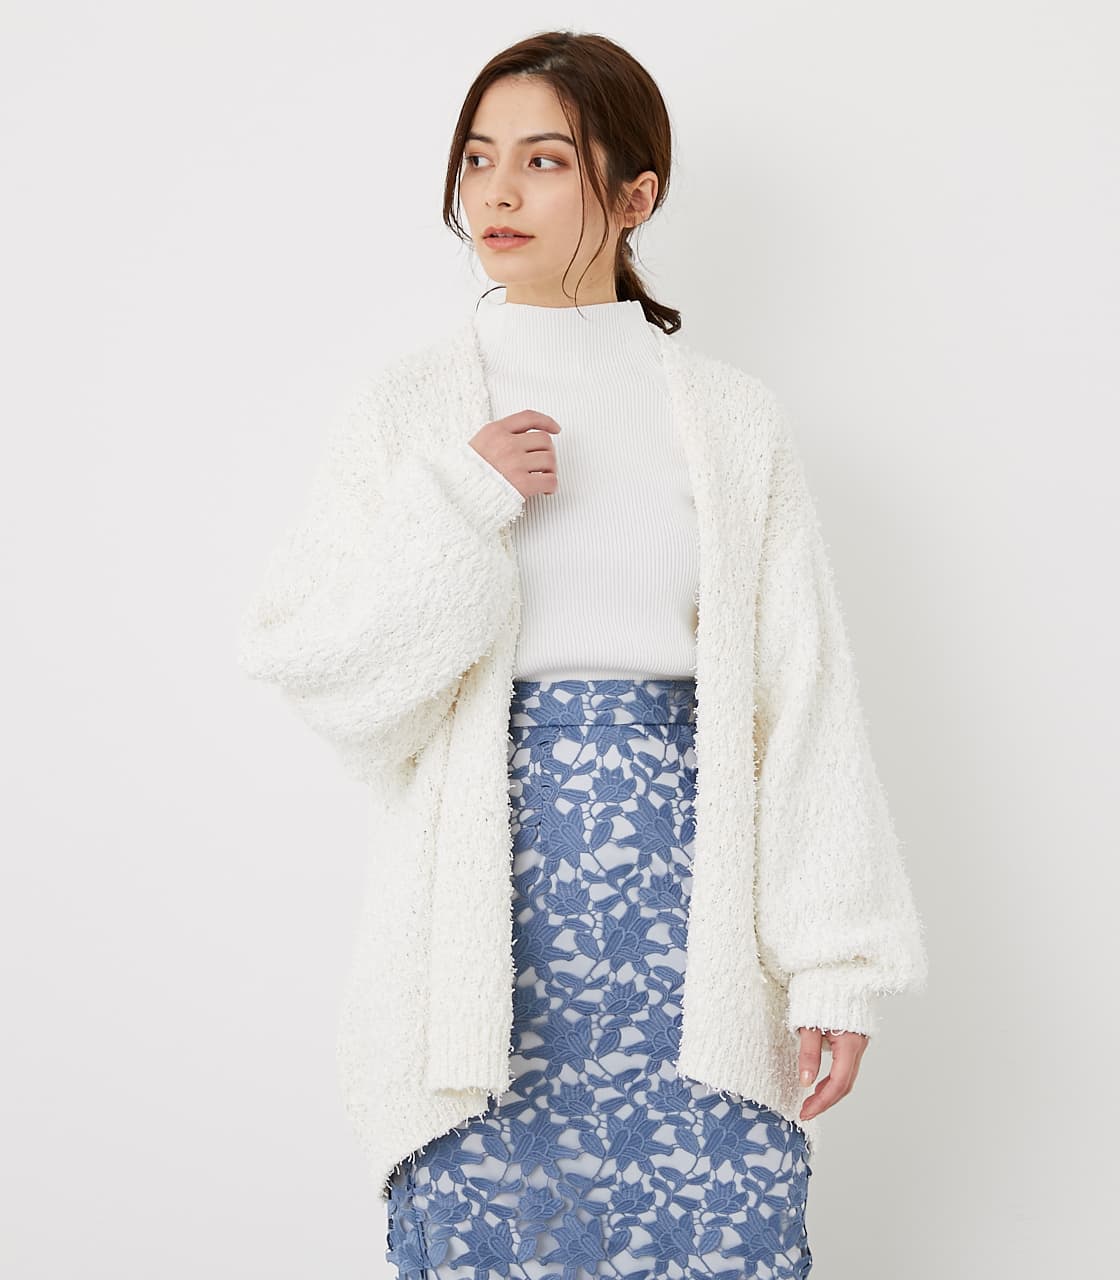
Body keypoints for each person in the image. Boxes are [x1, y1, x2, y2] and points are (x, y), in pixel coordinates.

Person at [236, 29, 928, 1280]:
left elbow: (803, 699)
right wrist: (461, 499)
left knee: (721, 1238)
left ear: (633, 194)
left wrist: (834, 962)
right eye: (477, 157)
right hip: (478, 930)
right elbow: (325, 672)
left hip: (696, 920)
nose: (496, 190)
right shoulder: (409, 410)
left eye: (543, 159)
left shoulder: (729, 417)